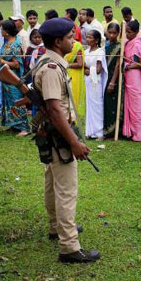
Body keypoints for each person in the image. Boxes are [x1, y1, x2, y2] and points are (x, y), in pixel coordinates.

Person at [33, 17, 98, 263]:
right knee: (66, 190)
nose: (74, 41)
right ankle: (69, 246)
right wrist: (74, 142)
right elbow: (55, 109)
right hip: (59, 134)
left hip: (50, 132)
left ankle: (55, 226)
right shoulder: (51, 69)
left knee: (52, 182)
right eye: (70, 37)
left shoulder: (48, 60)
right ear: (58, 41)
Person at [0, 20, 29, 137]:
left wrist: (1, 61)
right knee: (8, 101)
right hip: (6, 78)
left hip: (13, 78)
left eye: (2, 29)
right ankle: (14, 125)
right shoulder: (6, 42)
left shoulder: (15, 45)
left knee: (16, 100)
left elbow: (16, 64)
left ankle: (24, 127)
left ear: (7, 31)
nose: (1, 31)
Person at [122, 20, 141, 141]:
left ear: (136, 32)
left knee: (137, 105)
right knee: (129, 103)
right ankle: (130, 131)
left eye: (129, 32)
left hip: (135, 76)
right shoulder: (127, 43)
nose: (127, 34)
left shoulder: (137, 44)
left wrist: (130, 66)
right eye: (126, 32)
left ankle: (138, 134)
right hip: (128, 76)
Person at [83, 29, 107, 140]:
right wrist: (86, 70)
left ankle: (99, 132)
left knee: (97, 106)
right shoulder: (86, 51)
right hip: (88, 81)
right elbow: (83, 66)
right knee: (89, 106)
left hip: (96, 82)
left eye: (90, 37)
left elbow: (98, 69)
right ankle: (90, 132)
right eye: (87, 37)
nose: (88, 39)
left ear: (96, 40)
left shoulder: (100, 52)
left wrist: (89, 70)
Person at [103, 24, 122, 138]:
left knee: (113, 103)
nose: (111, 35)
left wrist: (113, 82)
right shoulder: (105, 45)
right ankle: (106, 129)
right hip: (105, 77)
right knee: (106, 103)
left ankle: (114, 130)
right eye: (110, 32)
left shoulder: (119, 46)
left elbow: (118, 65)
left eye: (114, 33)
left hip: (113, 78)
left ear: (118, 33)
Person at [65, 27, 86, 120]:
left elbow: (80, 63)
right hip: (65, 74)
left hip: (74, 76)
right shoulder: (63, 44)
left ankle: (75, 122)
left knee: (73, 98)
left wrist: (67, 65)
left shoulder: (77, 46)